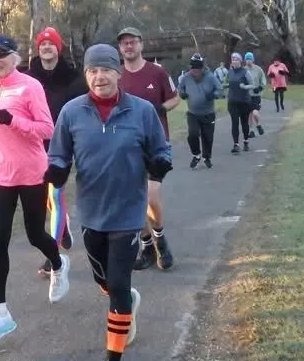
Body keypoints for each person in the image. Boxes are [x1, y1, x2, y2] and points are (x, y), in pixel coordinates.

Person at [46, 44, 172, 361]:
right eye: (92, 71)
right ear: (86, 74)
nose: (99, 77)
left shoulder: (142, 111)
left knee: (117, 283)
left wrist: (159, 163)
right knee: (103, 280)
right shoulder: (72, 112)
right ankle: (125, 301)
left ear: (118, 72)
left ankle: (113, 353)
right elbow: (59, 153)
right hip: (91, 212)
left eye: (105, 70)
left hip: (129, 210)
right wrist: (58, 169)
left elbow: (162, 148)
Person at [0, 34, 70, 348]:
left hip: (31, 170)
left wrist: (13, 121)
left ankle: (58, 263)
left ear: (14, 57)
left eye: (0, 54)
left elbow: (47, 128)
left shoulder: (31, 86)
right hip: (0, 172)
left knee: (34, 234)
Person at [26, 25, 88, 276]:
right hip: (32, 147)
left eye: (51, 44)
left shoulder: (74, 78)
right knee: (43, 201)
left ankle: (52, 258)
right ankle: (63, 228)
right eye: (42, 44)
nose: (46, 47)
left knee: (56, 195)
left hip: (61, 146)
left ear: (58, 48)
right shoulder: (28, 78)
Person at [117, 26, 180, 271]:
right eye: (125, 44)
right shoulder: (117, 76)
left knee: (151, 195)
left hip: (157, 143)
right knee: (134, 200)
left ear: (141, 45)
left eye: (133, 42)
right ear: (120, 49)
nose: (129, 47)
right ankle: (145, 245)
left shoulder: (158, 71)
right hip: (127, 146)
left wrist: (159, 110)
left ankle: (160, 239)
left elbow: (175, 98)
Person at [177, 53, 224, 169]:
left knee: (207, 137)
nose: (194, 72)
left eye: (197, 69)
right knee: (192, 134)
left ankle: (207, 157)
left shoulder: (210, 77)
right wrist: (182, 93)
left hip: (208, 113)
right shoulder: (186, 77)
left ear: (202, 69)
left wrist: (213, 95)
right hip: (193, 113)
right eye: (192, 69)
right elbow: (180, 88)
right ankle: (196, 155)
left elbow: (220, 90)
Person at [226, 52, 255, 154]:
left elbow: (252, 85)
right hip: (232, 101)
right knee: (234, 123)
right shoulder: (229, 72)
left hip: (244, 101)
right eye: (233, 59)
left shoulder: (245, 72)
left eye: (236, 59)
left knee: (244, 122)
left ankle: (246, 142)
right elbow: (226, 82)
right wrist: (224, 86)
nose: (234, 61)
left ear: (240, 61)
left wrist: (244, 87)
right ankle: (236, 145)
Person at [244, 52, 267, 138]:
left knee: (255, 113)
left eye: (249, 59)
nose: (248, 61)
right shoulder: (244, 70)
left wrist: (260, 88)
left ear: (253, 60)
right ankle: (251, 130)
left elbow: (263, 80)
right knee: (249, 114)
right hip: (247, 95)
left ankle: (259, 125)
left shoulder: (258, 69)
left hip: (256, 95)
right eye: (246, 59)